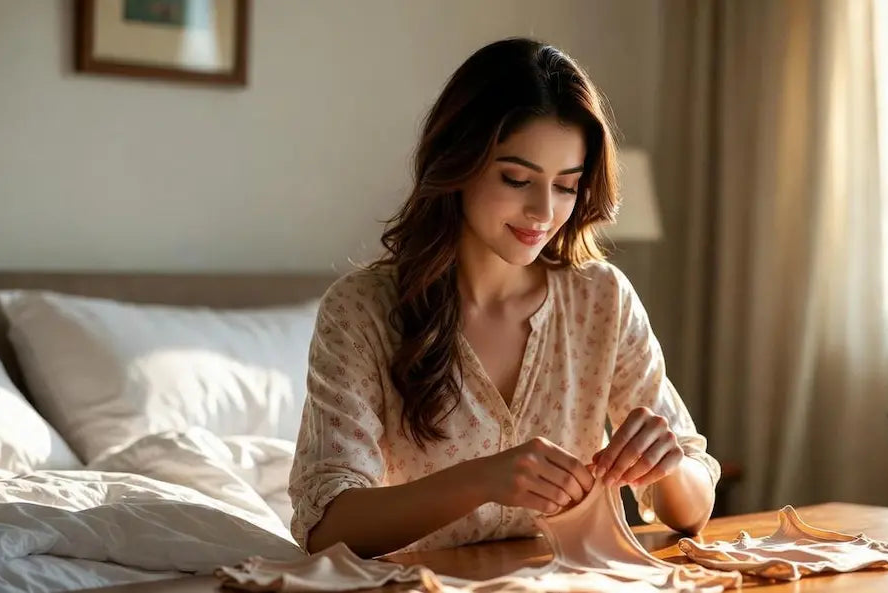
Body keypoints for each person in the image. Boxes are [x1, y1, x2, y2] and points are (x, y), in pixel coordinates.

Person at [288, 37, 719, 559]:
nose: (543, 211)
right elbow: (323, 524)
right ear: (457, 164)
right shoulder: (362, 310)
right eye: (516, 178)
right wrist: (480, 480)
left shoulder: (601, 299)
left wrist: (669, 468)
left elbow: (694, 508)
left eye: (566, 186)